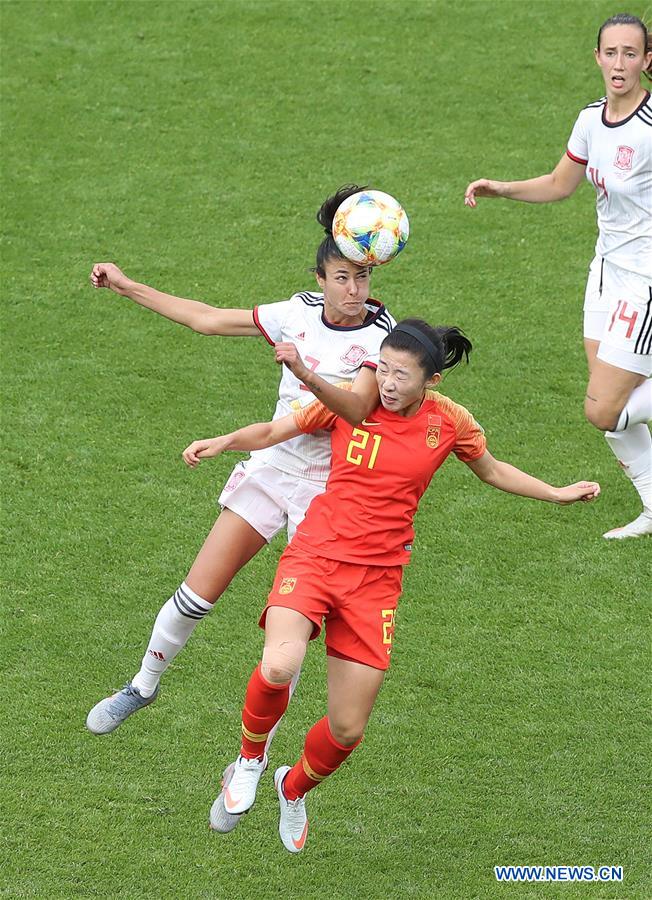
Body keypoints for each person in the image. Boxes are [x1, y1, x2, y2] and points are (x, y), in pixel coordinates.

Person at [183, 319, 600, 853]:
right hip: (315, 555)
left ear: (431, 381)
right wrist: (222, 442)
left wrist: (557, 493)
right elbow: (273, 433)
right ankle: (248, 759)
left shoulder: (449, 422)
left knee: (348, 728)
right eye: (383, 368)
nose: (387, 383)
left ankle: (291, 787)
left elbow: (493, 472)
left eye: (402, 375)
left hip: (377, 581)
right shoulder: (349, 401)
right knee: (280, 664)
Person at [85, 186, 397, 830]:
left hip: (327, 496)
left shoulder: (383, 335)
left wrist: (307, 375)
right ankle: (141, 686)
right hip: (271, 468)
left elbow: (358, 409)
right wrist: (126, 285)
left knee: (288, 653)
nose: (353, 289)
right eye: (342, 277)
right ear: (320, 277)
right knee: (198, 592)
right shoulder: (296, 313)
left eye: (362, 276)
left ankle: (254, 764)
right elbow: (206, 318)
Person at [464, 13, 652, 539]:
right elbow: (558, 184)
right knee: (605, 397)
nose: (619, 64)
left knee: (603, 411)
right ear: (597, 57)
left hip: (646, 280)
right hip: (606, 272)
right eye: (610, 53)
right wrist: (501, 188)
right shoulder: (591, 119)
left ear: (647, 60)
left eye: (630, 54)